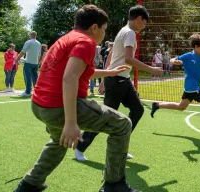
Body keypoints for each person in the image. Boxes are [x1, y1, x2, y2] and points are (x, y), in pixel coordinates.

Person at [13, 5, 138, 191]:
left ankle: (30, 184)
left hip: (40, 105)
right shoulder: (86, 42)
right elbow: (70, 77)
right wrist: (71, 123)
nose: (104, 34)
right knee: (122, 125)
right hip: (58, 106)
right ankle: (114, 184)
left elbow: (78, 72)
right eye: (104, 29)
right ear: (94, 28)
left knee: (58, 142)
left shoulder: (66, 39)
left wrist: (110, 72)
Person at [74, 5, 163, 162]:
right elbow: (128, 59)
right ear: (139, 19)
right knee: (104, 116)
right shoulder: (129, 33)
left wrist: (105, 77)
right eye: (144, 22)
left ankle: (121, 146)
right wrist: (151, 69)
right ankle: (80, 146)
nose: (144, 26)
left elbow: (111, 56)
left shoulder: (123, 31)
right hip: (116, 80)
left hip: (121, 79)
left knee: (137, 110)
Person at [150, 33, 200, 142]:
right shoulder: (188, 56)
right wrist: (175, 61)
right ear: (196, 47)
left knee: (181, 107)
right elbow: (171, 60)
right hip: (193, 87)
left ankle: (157, 105)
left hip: (190, 88)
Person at [15, 31, 42, 97]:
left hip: (28, 62)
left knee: (28, 77)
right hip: (35, 63)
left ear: (30, 35)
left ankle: (27, 92)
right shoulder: (39, 43)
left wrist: (17, 59)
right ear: (36, 36)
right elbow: (39, 54)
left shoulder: (28, 42)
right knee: (35, 78)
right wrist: (37, 62)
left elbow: (23, 51)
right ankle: (37, 92)